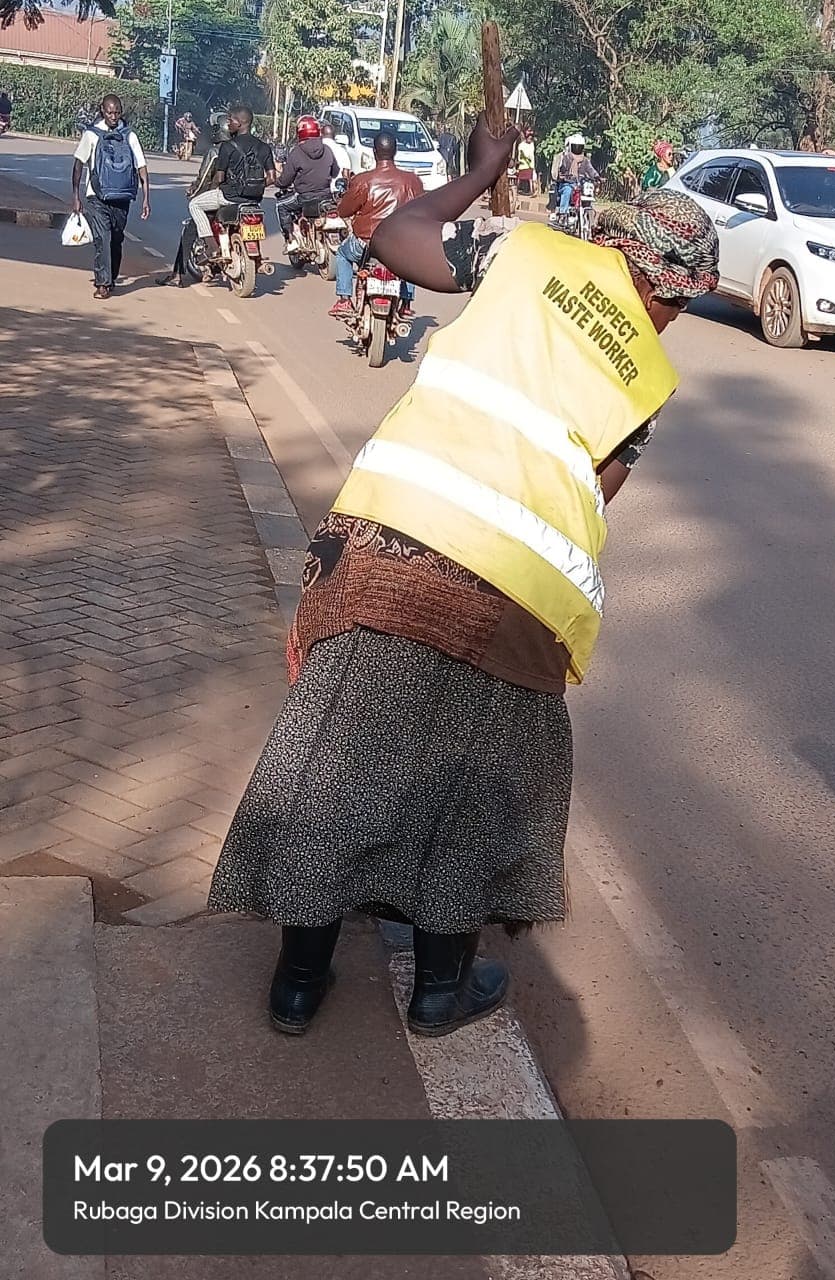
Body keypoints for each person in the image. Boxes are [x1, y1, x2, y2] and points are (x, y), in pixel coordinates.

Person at [207, 118, 719, 1040]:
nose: (674, 318)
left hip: (391, 547)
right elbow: (597, 491)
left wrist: (478, 174)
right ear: (661, 285)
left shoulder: (521, 259)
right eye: (678, 301)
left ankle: (297, 981)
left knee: (335, 759)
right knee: (480, 782)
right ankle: (440, 992)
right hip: (516, 596)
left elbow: (392, 237)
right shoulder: (648, 375)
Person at [329, 130, 422, 321]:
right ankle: (406, 303)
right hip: (397, 246)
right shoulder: (412, 181)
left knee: (342, 254)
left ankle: (344, 299)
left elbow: (344, 210)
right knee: (412, 260)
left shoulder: (363, 180)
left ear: (374, 152)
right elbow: (422, 211)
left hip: (364, 245)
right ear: (395, 152)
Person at [72, 94, 150, 300]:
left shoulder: (130, 135)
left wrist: (146, 198)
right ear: (102, 110)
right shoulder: (91, 135)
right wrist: (76, 197)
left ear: (121, 112)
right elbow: (78, 165)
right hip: (96, 197)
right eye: (109, 112)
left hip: (122, 197)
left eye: (117, 112)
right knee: (103, 239)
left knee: (116, 239)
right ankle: (102, 283)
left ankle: (111, 278)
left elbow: (141, 167)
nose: (113, 116)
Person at [188, 105, 276, 262]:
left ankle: (211, 246)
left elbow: (219, 178)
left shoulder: (228, 146)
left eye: (231, 120)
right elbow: (272, 177)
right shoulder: (264, 147)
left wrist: (219, 189)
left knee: (195, 205)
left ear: (240, 123)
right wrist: (256, 187)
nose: (228, 123)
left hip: (229, 197)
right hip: (254, 200)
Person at [157, 113, 235, 288]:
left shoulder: (215, 152)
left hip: (217, 198)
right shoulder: (239, 148)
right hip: (241, 200)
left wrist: (194, 192)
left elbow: (204, 179)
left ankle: (177, 274)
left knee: (189, 232)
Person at [275, 116, 340, 252]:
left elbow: (285, 180)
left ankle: (290, 240)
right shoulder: (327, 149)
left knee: (281, 206)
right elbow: (335, 172)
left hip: (304, 197)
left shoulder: (296, 152)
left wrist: (278, 182)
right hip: (326, 196)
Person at [553, 133, 599, 219]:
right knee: (567, 190)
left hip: (580, 184)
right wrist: (563, 175)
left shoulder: (585, 160)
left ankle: (588, 213)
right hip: (568, 183)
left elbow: (590, 170)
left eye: (579, 146)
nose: (577, 149)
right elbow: (562, 169)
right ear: (571, 146)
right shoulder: (566, 158)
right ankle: (563, 213)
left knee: (588, 192)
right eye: (575, 146)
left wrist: (597, 176)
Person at [516, 127, 536, 196]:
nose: (530, 139)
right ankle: (517, 189)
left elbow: (531, 154)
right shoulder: (521, 145)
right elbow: (520, 154)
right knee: (519, 178)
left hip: (530, 165)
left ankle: (531, 190)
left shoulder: (532, 145)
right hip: (523, 164)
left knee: (530, 179)